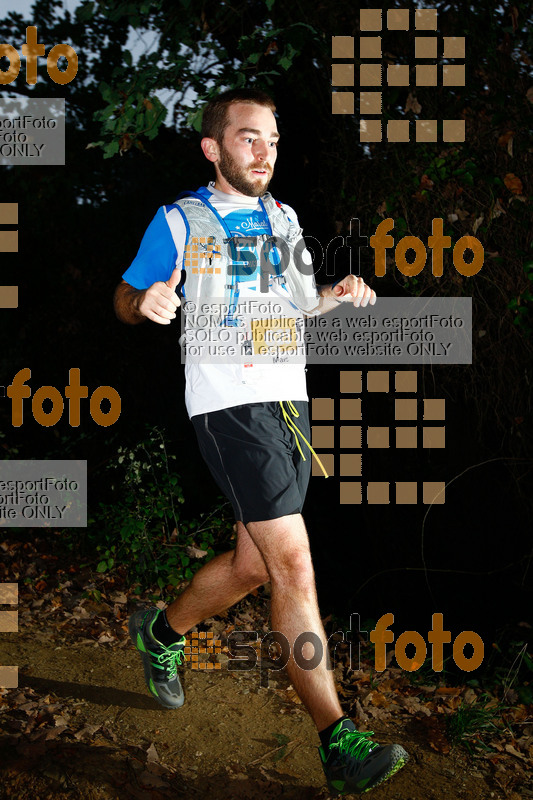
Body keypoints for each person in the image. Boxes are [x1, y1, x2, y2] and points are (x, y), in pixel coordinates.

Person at [114, 88, 408, 795]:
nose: (263, 151)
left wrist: (338, 292)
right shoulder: (180, 219)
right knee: (293, 567)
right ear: (213, 147)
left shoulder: (284, 217)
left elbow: (299, 309)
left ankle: (161, 633)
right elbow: (125, 296)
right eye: (248, 138)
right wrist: (146, 301)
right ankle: (338, 742)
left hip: (287, 407)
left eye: (271, 140)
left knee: (252, 565)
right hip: (228, 407)